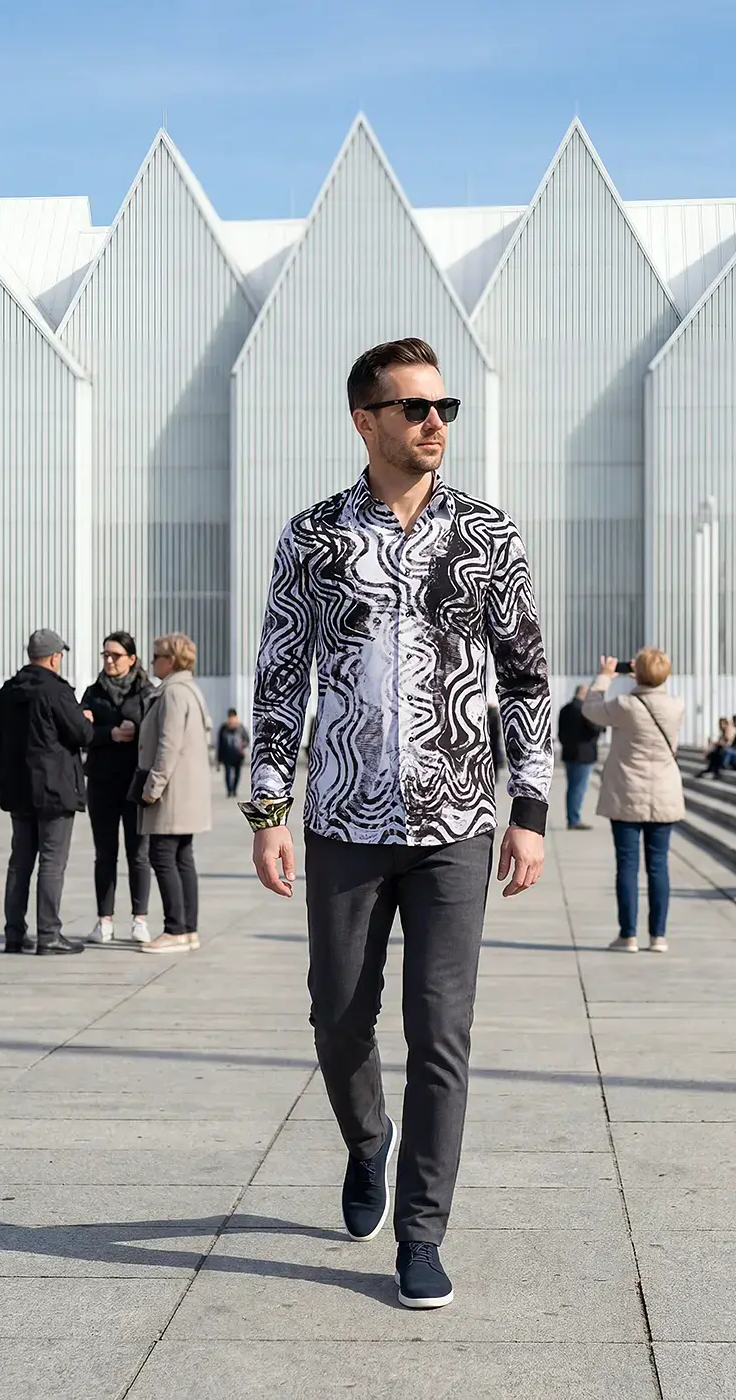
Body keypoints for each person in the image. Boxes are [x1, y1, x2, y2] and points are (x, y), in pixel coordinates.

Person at [246, 338, 552, 1311]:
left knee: (441, 1030)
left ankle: (421, 1231)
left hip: (457, 819)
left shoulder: (487, 535)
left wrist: (531, 809)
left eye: (445, 407)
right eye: (415, 407)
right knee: (338, 1017)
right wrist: (268, 808)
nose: (435, 422)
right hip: (341, 818)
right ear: (364, 420)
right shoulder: (314, 536)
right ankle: (367, 1138)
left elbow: (527, 676)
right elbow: (280, 676)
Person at [0, 630, 93, 955]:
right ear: (54, 657)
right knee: (51, 861)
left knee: (20, 862)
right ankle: (48, 933)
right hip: (54, 789)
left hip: (18, 790)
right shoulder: (56, 691)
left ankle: (14, 933)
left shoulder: (8, 691)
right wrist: (85, 718)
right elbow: (81, 733)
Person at [583, 649, 685, 953]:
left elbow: (591, 708)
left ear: (637, 673)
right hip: (664, 794)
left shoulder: (625, 705)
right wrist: (645, 679)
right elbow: (655, 694)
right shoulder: (676, 705)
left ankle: (628, 935)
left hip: (627, 791)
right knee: (658, 865)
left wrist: (605, 677)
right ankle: (658, 936)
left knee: (627, 865)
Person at [136, 633, 212, 954]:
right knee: (182, 858)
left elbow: (168, 745)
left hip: (172, 792)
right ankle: (188, 929)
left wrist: (152, 787)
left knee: (162, 856)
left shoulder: (173, 693)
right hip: (188, 792)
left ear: (171, 660)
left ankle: (174, 928)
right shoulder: (190, 690)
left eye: (156, 656)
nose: (152, 662)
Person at [80, 632, 154, 944]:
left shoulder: (147, 693)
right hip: (101, 782)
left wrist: (136, 730)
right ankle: (104, 919)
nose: (109, 660)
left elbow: (157, 731)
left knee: (139, 854)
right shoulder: (92, 693)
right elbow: (79, 732)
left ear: (132, 659)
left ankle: (140, 919)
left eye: (115, 655)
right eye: (105, 655)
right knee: (105, 853)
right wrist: (106, 733)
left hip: (136, 784)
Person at [557, 685, 603, 830]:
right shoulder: (585, 710)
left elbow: (560, 733)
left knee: (572, 787)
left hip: (569, 753)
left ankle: (572, 817)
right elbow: (595, 729)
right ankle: (574, 819)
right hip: (584, 754)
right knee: (579, 788)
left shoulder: (565, 709)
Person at [216, 708, 250, 798]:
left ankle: (230, 790)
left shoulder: (224, 728)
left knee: (228, 773)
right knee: (236, 774)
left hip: (228, 754)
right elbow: (247, 739)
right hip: (237, 754)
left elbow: (220, 744)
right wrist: (243, 746)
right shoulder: (240, 727)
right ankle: (233, 790)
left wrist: (219, 758)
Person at [487, 702, 505, 781]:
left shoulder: (493, 716)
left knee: (494, 758)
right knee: (494, 758)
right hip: (494, 741)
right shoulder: (494, 715)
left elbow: (496, 730)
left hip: (493, 740)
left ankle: (494, 775)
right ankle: (494, 776)